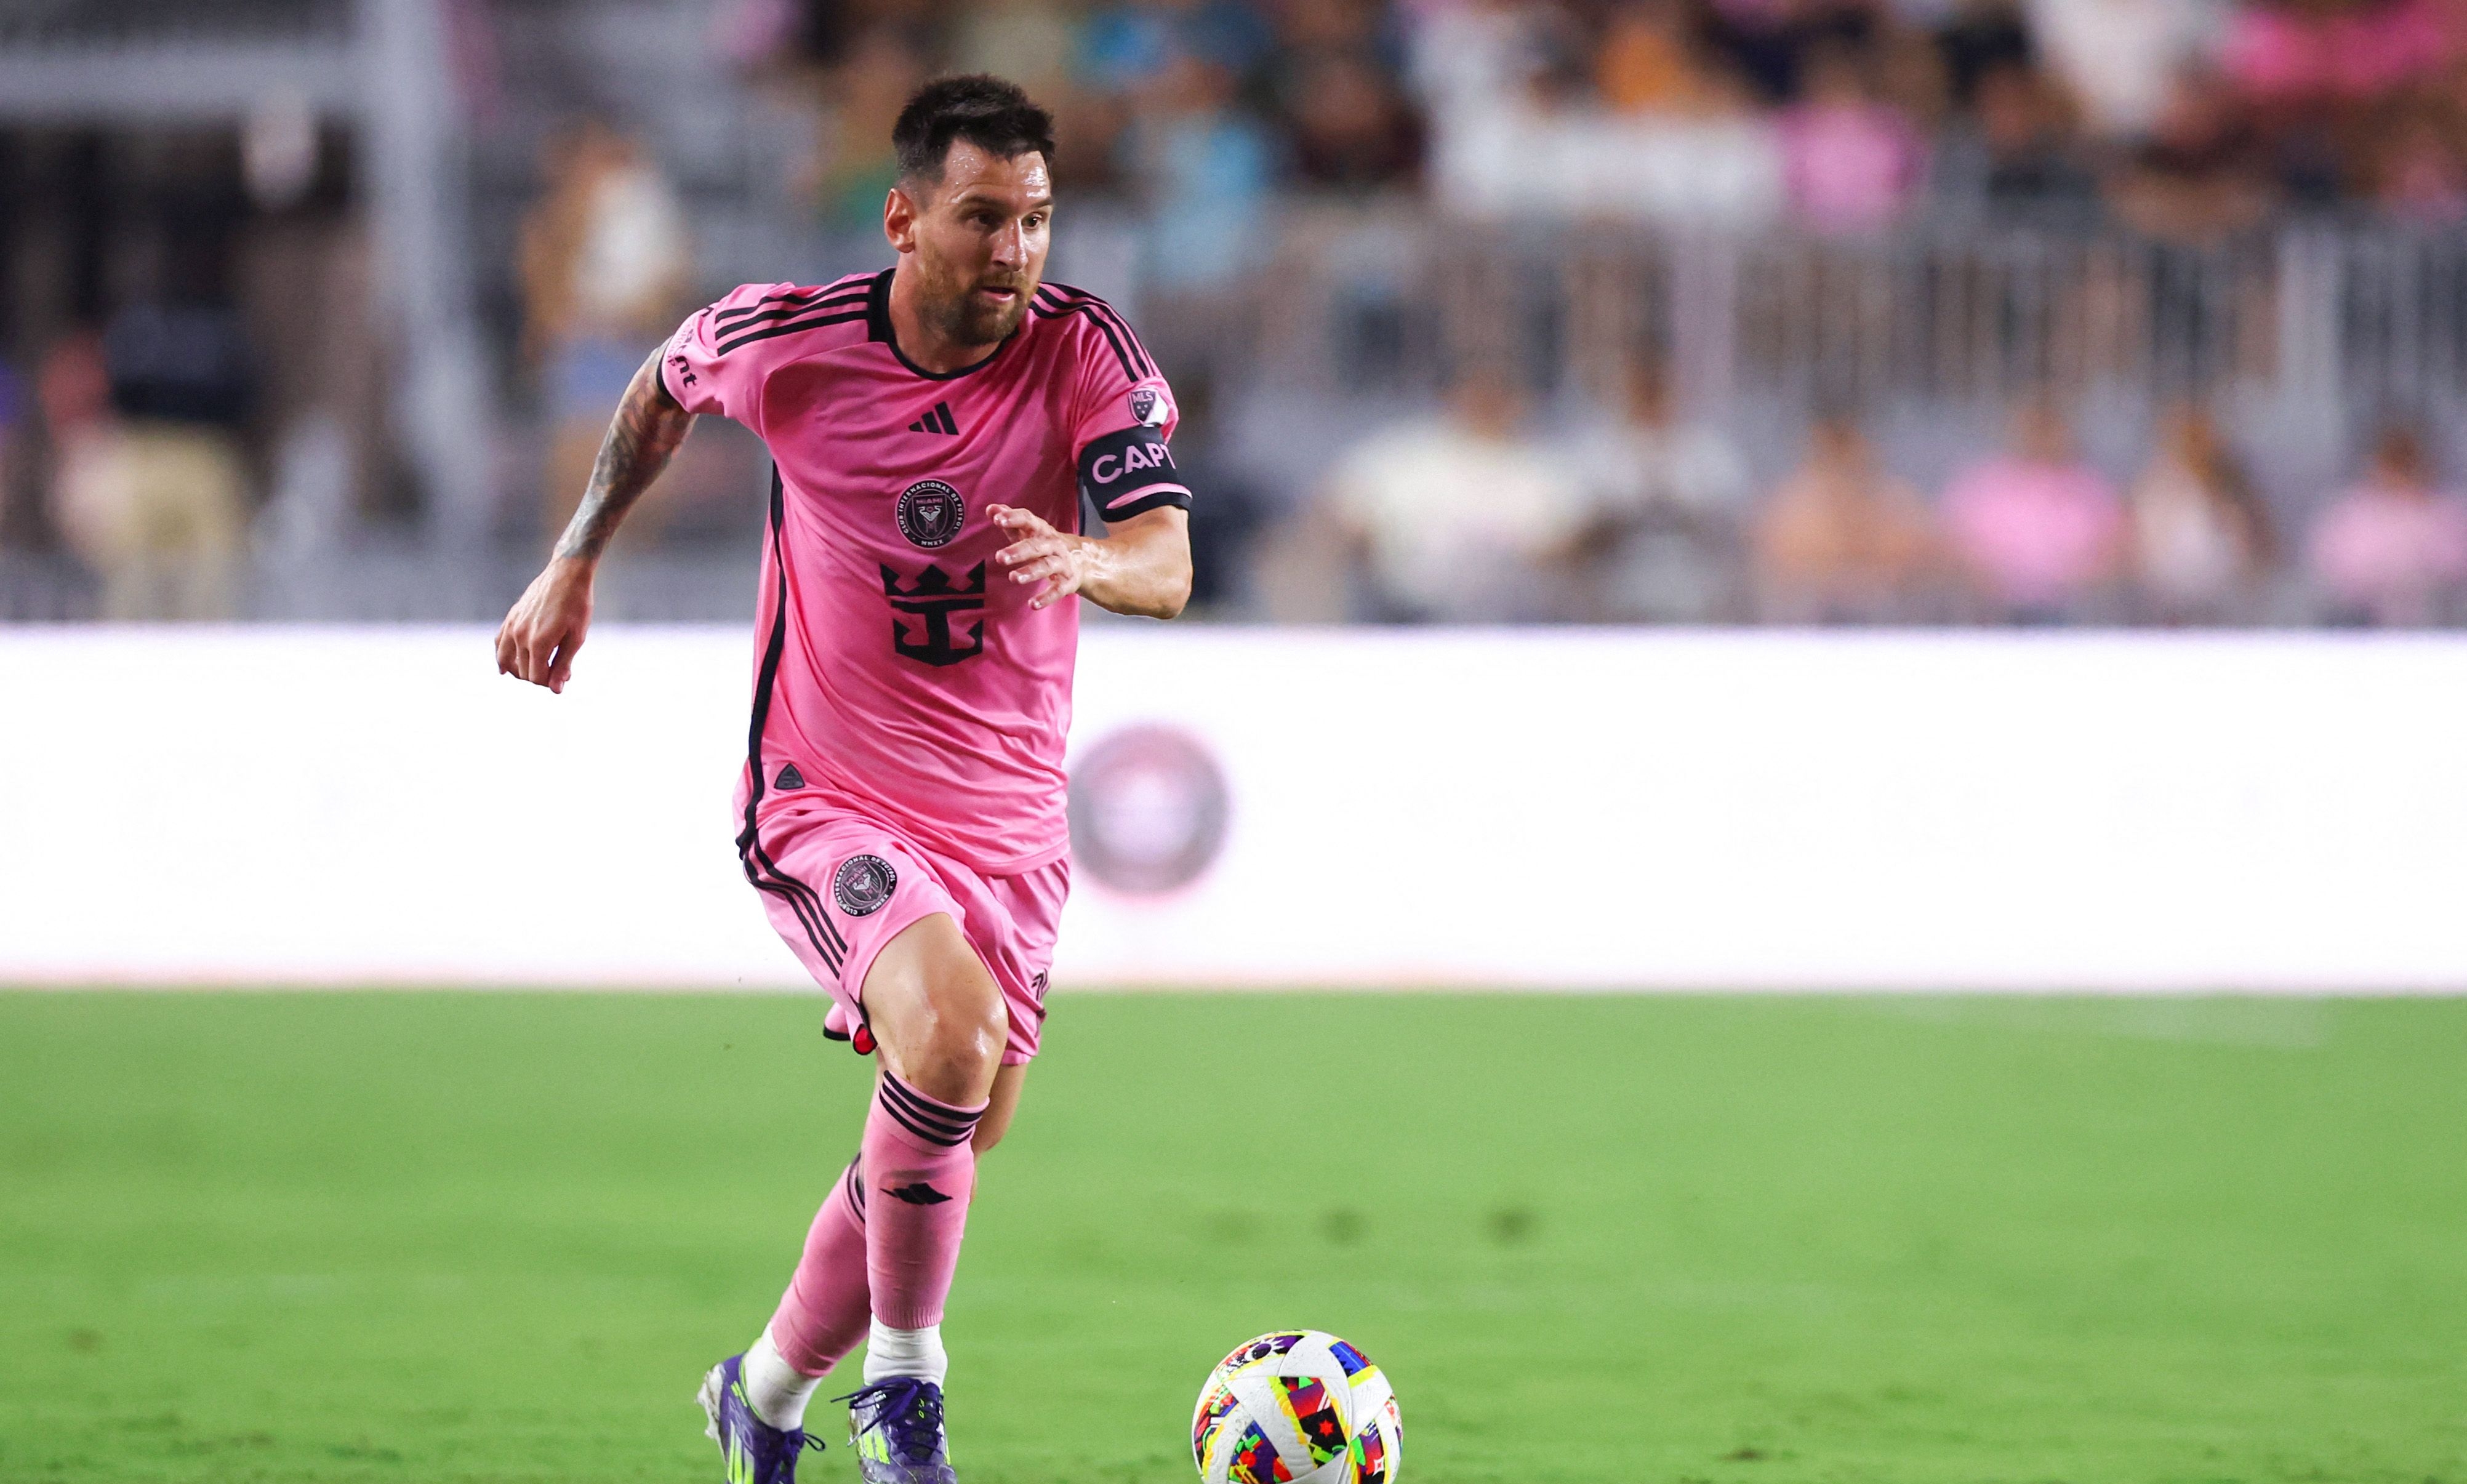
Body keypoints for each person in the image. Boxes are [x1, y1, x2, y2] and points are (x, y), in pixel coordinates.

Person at [494, 77, 1193, 1484]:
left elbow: (1166, 561)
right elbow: (654, 393)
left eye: (1036, 220)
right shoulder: (789, 341)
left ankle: (758, 1392)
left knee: (950, 1118)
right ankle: (904, 1396)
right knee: (947, 1031)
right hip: (825, 794)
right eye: (982, 217)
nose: (1014, 250)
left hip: (1007, 824)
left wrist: (1089, 561)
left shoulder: (1084, 353)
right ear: (903, 216)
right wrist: (575, 555)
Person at [1940, 399, 2123, 620]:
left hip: (2075, 609)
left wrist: (2080, 578)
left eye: (2048, 430)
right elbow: (1952, 546)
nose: (2041, 439)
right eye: (2033, 429)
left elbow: (2115, 551)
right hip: (1994, 608)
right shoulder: (1983, 485)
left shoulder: (2090, 490)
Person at [1751, 412, 1938, 621]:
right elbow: (1785, 573)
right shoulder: (1788, 511)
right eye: (1831, 457)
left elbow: (1915, 566)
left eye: (1852, 458)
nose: (1843, 470)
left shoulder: (1898, 506)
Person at [2125, 402, 2273, 622]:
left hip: (2226, 604)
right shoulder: (2155, 488)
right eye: (2184, 441)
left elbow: (2260, 553)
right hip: (2161, 603)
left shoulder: (2235, 489)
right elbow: (2134, 550)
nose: (2193, 449)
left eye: (2199, 440)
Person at [2306, 424, 2467, 625]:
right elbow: (2330, 573)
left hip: (2436, 626)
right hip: (2362, 626)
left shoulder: (2445, 513)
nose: (2399, 475)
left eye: (2407, 464)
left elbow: (2456, 570)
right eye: (2393, 464)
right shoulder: (2349, 515)